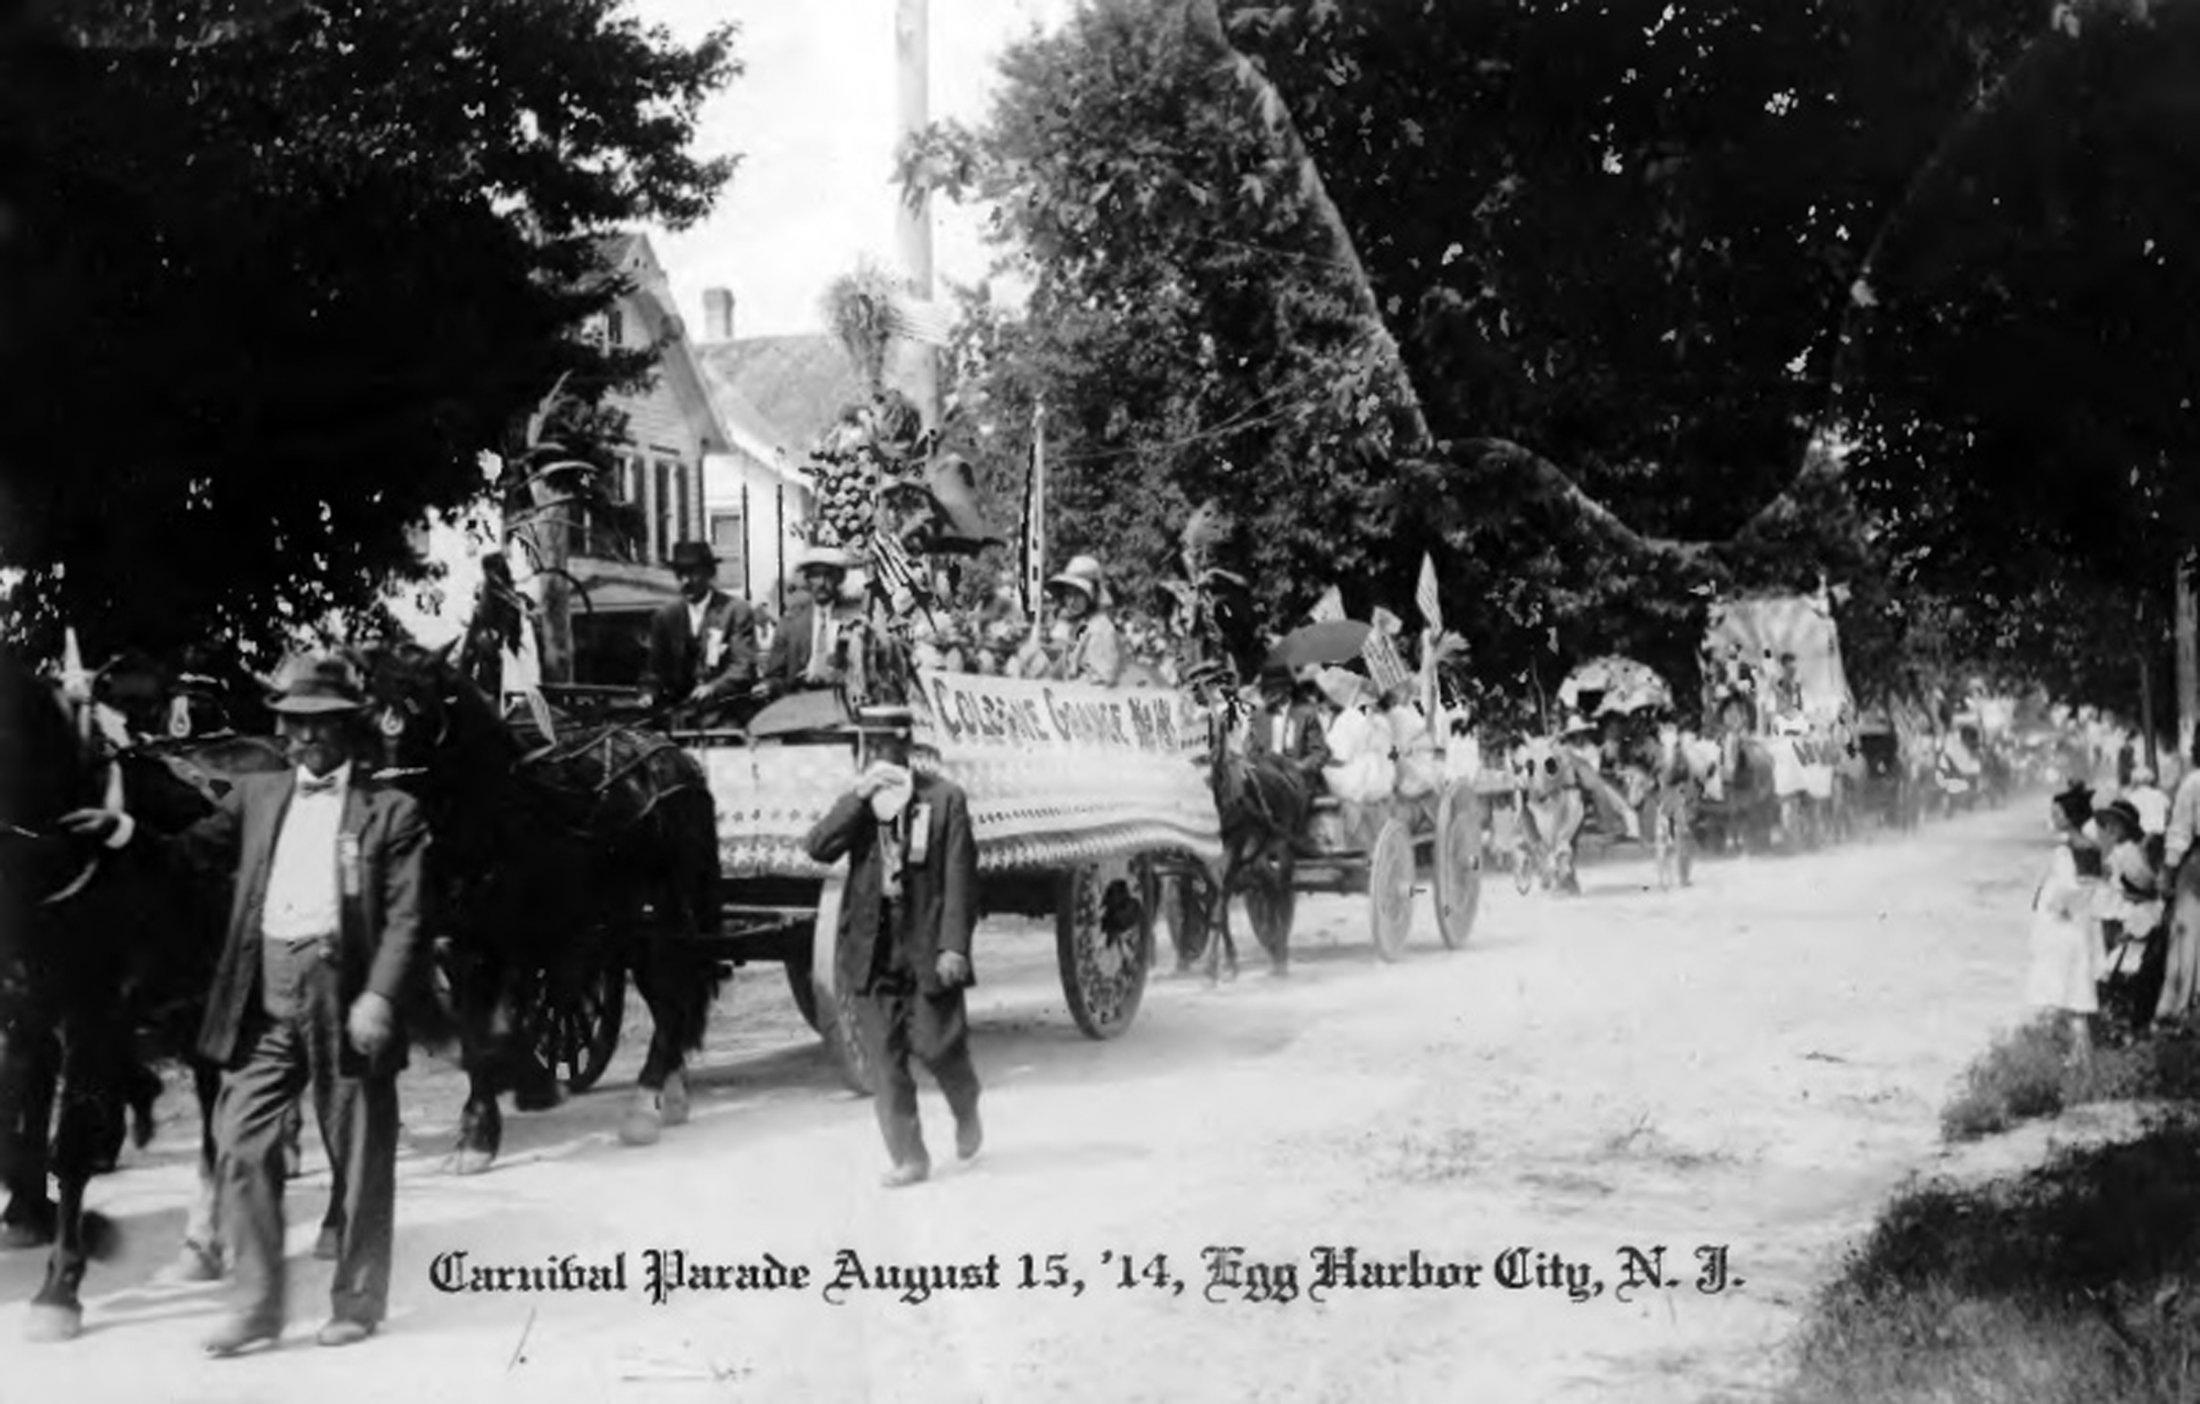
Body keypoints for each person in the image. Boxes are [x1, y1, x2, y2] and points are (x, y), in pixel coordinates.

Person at [63, 655, 428, 1355]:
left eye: (319, 726)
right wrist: (121, 831)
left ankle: (356, 1300)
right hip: (266, 996)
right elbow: (187, 855)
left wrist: (379, 995)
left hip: (346, 993)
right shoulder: (255, 797)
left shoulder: (392, 812)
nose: (304, 740)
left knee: (358, 1152)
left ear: (347, 730)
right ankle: (258, 1308)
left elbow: (408, 917)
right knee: (240, 1143)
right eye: (293, 726)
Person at [802, 706, 981, 1188]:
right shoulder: (861, 808)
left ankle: (966, 1105)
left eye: (887, 748)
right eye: (871, 748)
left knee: (937, 1045)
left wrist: (953, 947)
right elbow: (817, 847)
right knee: (884, 1057)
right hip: (872, 950)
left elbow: (960, 880)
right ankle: (910, 1157)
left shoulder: (943, 800)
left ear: (906, 747)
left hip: (924, 943)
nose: (879, 758)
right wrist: (857, 798)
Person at [2028, 784, 2104, 1062]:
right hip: (2085, 925)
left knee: (2066, 998)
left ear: (2069, 817)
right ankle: (2083, 1058)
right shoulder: (2092, 847)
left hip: (2064, 929)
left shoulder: (2065, 851)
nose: (2053, 817)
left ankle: (2074, 1060)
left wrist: (2054, 907)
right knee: (2079, 997)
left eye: (2057, 813)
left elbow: (2066, 889)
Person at [641, 541, 759, 718]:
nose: (685, 581)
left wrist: (714, 688)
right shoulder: (665, 616)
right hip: (678, 716)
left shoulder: (735, 611)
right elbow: (655, 668)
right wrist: (648, 693)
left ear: (709, 573)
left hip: (724, 714)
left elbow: (742, 666)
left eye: (693, 573)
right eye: (680, 575)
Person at [759, 545, 862, 696]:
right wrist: (770, 686)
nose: (822, 583)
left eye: (829, 575)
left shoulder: (854, 618)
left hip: (843, 699)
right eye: (815, 576)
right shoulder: (790, 623)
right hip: (801, 701)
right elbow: (775, 675)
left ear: (840, 578)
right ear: (807, 580)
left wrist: (841, 676)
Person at [1242, 663, 1332, 781]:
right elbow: (1251, 752)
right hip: (1265, 778)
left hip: (1297, 779)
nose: (1267, 693)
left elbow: (1320, 752)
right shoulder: (1257, 716)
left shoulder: (1306, 714)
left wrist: (1302, 766)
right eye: (1265, 688)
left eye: (1273, 688)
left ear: (1287, 688)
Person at [1044, 555, 1122, 686]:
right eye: (1068, 594)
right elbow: (1054, 667)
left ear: (1092, 595)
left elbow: (1102, 682)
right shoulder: (1068, 624)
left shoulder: (1099, 628)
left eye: (1078, 594)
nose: (1071, 601)